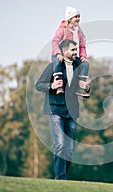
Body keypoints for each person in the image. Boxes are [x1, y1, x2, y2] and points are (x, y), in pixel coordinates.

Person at [35, 39, 90, 180]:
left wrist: (87, 87)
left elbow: (83, 88)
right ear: (64, 51)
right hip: (55, 110)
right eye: (73, 50)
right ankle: (60, 179)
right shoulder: (54, 66)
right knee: (60, 145)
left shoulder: (80, 66)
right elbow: (39, 85)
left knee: (70, 149)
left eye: (76, 50)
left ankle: (63, 176)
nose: (76, 53)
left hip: (72, 110)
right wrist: (52, 86)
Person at [52, 6, 89, 98]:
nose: (78, 19)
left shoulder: (79, 32)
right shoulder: (62, 30)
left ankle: (81, 87)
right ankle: (59, 85)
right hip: (60, 54)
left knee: (85, 64)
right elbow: (55, 42)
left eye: (79, 17)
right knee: (58, 62)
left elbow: (82, 45)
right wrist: (58, 53)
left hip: (72, 55)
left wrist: (83, 56)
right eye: (75, 17)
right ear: (69, 18)